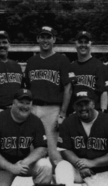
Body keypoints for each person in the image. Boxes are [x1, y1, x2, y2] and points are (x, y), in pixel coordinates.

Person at [25, 26, 73, 167]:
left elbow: (68, 88)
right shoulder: (31, 61)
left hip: (53, 109)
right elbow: (27, 88)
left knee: (54, 151)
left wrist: (63, 113)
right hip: (33, 108)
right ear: (38, 39)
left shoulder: (62, 60)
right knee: (33, 150)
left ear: (54, 39)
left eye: (48, 37)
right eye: (42, 37)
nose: (45, 40)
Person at [71, 31, 108, 112]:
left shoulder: (99, 66)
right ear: (75, 44)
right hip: (75, 112)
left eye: (86, 42)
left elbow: (104, 92)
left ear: (90, 44)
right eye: (80, 42)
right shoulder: (71, 67)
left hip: (93, 112)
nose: (83, 45)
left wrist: (103, 112)